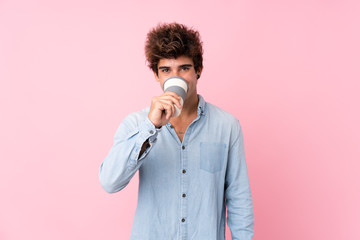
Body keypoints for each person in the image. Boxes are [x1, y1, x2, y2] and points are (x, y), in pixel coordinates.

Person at [99, 22, 254, 240]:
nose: (176, 77)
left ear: (198, 70)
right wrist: (150, 127)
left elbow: (239, 198)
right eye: (166, 70)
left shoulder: (227, 126)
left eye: (184, 68)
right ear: (156, 75)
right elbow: (110, 182)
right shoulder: (136, 124)